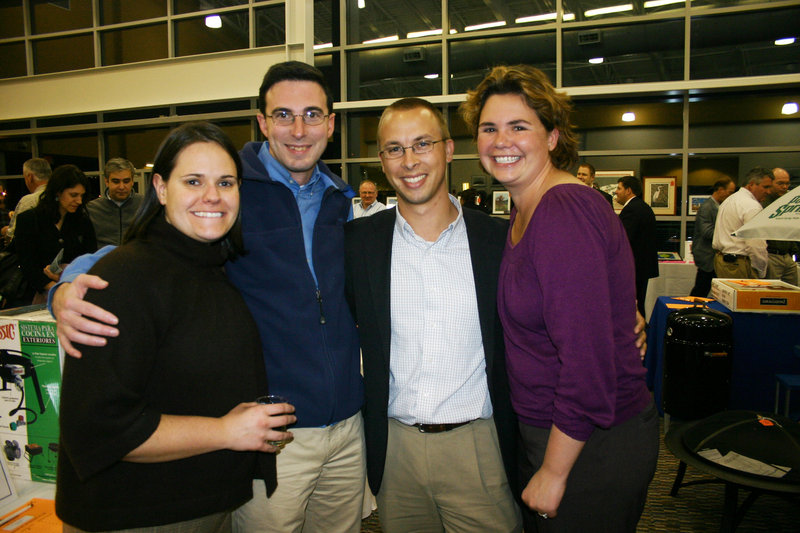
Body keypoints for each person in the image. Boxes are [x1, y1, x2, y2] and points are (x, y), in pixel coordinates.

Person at [48, 61, 366, 533]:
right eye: (282, 115)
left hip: (346, 428)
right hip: (271, 430)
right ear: (261, 121)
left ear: (331, 124)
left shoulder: (340, 200)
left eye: (312, 114)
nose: (298, 130)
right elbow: (144, 250)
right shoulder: (231, 188)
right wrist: (64, 288)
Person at [55, 122, 295, 532]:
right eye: (193, 181)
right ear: (161, 188)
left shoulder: (211, 267)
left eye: (225, 182)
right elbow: (100, 427)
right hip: (136, 515)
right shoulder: (124, 279)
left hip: (202, 504)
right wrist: (225, 431)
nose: (212, 196)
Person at [460, 64, 658, 532]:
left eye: (519, 126)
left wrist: (553, 471)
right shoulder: (526, 210)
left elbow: (587, 362)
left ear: (552, 137)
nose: (501, 140)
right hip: (559, 434)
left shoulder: (563, 210)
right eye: (489, 128)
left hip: (591, 443)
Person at [345, 98, 521, 532]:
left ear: (448, 149)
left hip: (478, 446)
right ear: (382, 161)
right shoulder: (357, 244)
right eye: (394, 148)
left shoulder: (498, 240)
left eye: (421, 144)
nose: (409, 161)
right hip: (395, 448)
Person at [14, 164, 96, 305]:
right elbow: (27, 263)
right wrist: (55, 287)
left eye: (82, 196)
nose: (79, 201)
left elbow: (90, 258)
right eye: (73, 195)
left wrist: (66, 278)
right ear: (57, 192)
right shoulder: (29, 220)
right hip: (34, 298)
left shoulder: (82, 222)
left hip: (72, 294)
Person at [712, 167, 774, 279]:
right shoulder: (752, 206)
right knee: (746, 297)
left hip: (722, 261)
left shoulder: (730, 200)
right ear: (751, 185)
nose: (768, 191)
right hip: (739, 264)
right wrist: (761, 271)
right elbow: (756, 244)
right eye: (765, 187)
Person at [616, 175, 659, 316]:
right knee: (639, 303)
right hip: (641, 267)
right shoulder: (643, 207)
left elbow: (623, 239)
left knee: (633, 307)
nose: (616, 192)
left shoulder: (632, 209)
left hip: (634, 267)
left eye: (619, 188)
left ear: (628, 191)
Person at [689, 177, 735, 297]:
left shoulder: (718, 206)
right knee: (701, 289)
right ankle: (692, 310)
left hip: (712, 256)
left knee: (707, 289)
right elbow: (707, 232)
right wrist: (729, 233)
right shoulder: (707, 207)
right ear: (720, 190)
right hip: (707, 256)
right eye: (730, 192)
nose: (731, 196)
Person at [87, 157, 143, 246]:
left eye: (126, 181)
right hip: (104, 259)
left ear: (132, 181)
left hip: (137, 258)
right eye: (116, 181)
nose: (121, 187)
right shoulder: (92, 209)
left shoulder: (145, 205)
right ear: (106, 181)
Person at [3, 157, 52, 244]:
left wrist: (5, 231)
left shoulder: (29, 200)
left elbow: (14, 235)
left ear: (30, 177)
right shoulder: (61, 196)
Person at [763, 167, 798, 285]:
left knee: (794, 293)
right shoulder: (762, 204)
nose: (784, 187)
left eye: (787, 183)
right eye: (780, 183)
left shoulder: (788, 202)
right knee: (772, 293)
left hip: (787, 255)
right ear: (770, 183)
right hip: (771, 255)